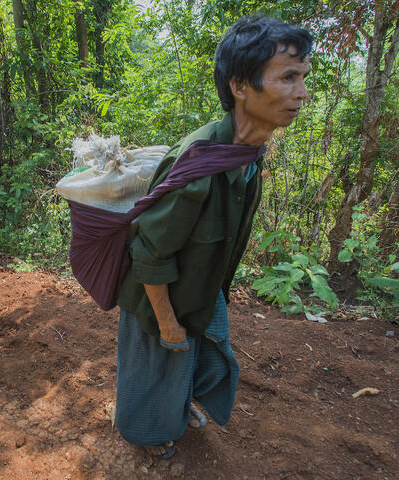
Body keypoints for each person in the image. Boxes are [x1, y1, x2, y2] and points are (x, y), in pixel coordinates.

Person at [114, 15, 312, 458]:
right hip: (155, 297)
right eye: (287, 78)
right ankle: (146, 435)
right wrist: (166, 320)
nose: (301, 93)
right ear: (241, 86)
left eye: (302, 78)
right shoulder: (198, 166)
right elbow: (148, 252)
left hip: (197, 292)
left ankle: (178, 409)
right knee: (152, 370)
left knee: (185, 359)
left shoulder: (248, 156)